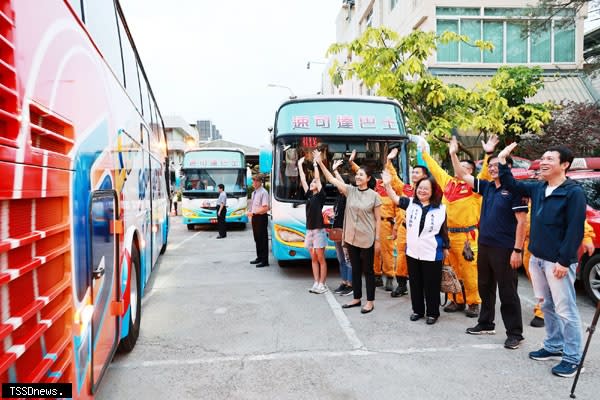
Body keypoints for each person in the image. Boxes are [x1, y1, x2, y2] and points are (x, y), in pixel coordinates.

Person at [497, 143, 587, 377]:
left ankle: (572, 357)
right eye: (543, 158)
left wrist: (565, 261)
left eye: (550, 159)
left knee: (566, 310)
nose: (543, 162)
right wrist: (503, 160)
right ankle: (553, 345)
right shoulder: (539, 187)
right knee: (546, 305)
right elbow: (511, 183)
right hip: (537, 258)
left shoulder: (573, 192)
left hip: (557, 262)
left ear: (564, 165)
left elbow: (575, 229)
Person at [451, 137, 527, 350]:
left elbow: (522, 222)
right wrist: (453, 154)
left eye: (498, 165)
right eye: (490, 165)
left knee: (507, 292)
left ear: (508, 168)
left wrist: (517, 250)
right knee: (485, 287)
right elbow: (461, 175)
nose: (493, 169)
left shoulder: (515, 191)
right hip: (484, 245)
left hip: (505, 248)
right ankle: (486, 323)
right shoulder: (487, 187)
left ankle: (515, 334)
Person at [420, 135, 499, 318]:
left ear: (471, 172)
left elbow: (486, 173)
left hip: (466, 237)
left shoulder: (474, 187)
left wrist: (488, 154)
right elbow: (435, 168)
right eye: (459, 167)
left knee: (470, 272)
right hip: (448, 236)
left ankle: (473, 302)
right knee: (451, 270)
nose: (460, 170)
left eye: (465, 168)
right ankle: (456, 299)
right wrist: (424, 152)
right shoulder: (448, 183)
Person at [315, 150, 381, 314]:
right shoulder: (349, 191)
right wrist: (320, 163)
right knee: (356, 269)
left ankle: (370, 301)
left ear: (368, 179)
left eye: (361, 175)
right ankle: (357, 298)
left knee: (368, 271)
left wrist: (378, 240)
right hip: (351, 237)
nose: (358, 177)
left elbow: (378, 220)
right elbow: (330, 179)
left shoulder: (374, 196)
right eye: (357, 174)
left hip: (367, 238)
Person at [383, 172, 449, 325]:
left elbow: (444, 230)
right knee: (415, 282)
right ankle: (418, 310)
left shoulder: (441, 209)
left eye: (426, 188)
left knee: (431, 284)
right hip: (413, 252)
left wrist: (446, 247)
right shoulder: (410, 203)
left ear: (433, 191)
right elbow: (394, 197)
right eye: (420, 188)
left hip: (432, 252)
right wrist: (387, 184)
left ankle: (433, 313)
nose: (422, 191)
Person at [385, 147, 431, 298]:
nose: (414, 174)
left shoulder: (430, 192)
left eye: (417, 172)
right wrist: (389, 160)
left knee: (422, 257)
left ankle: (424, 286)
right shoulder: (406, 189)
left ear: (425, 176)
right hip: (405, 228)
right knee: (402, 257)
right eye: (413, 172)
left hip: (423, 231)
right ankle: (402, 284)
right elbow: (392, 176)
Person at [298, 155, 328, 294]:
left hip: (319, 230)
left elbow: (316, 179)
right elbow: (303, 179)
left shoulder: (320, 196)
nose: (312, 184)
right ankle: (316, 282)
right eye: (311, 184)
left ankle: (322, 284)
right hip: (309, 230)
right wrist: (299, 165)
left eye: (314, 183)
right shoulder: (309, 196)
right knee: (313, 258)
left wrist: (316, 164)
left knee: (321, 258)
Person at [331, 159, 353, 296]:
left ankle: (351, 284)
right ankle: (344, 282)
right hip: (336, 232)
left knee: (348, 259)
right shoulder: (339, 197)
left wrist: (335, 171)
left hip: (346, 232)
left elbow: (342, 184)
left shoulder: (348, 195)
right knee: (341, 259)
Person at [247, 173, 270, 268]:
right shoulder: (254, 193)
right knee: (257, 238)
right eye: (253, 181)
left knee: (263, 239)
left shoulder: (263, 192)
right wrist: (250, 211)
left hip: (261, 217)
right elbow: (254, 206)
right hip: (255, 218)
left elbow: (266, 208)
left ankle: (265, 261)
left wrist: (254, 213)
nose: (254, 183)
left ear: (260, 182)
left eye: (256, 181)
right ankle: (259, 257)